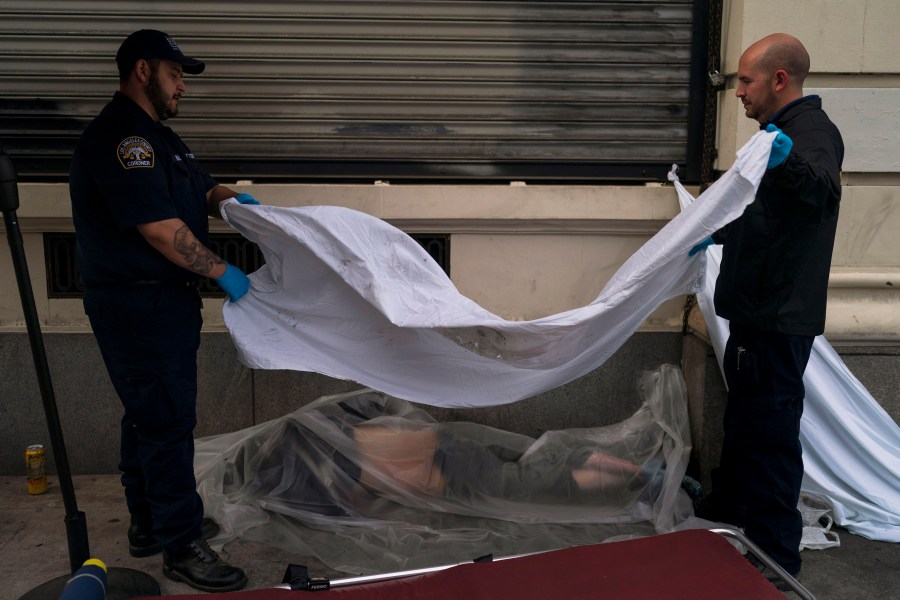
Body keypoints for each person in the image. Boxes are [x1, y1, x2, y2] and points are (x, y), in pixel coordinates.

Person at [69, 29, 261, 593]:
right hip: (137, 303)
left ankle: (149, 520)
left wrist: (233, 199)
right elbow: (157, 227)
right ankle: (181, 545)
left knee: (146, 414)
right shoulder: (121, 141)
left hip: (161, 303)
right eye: (176, 75)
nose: (183, 87)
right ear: (143, 70)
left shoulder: (159, 138)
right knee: (167, 421)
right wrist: (222, 270)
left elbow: (196, 188)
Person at [695, 33, 844, 582]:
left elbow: (822, 193)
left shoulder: (811, 133)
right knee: (746, 424)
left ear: (779, 80)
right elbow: (768, 217)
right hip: (756, 314)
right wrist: (717, 234)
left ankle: (777, 557)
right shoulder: (775, 134)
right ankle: (732, 513)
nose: (739, 93)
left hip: (778, 319)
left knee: (772, 436)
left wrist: (785, 162)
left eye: (747, 82)